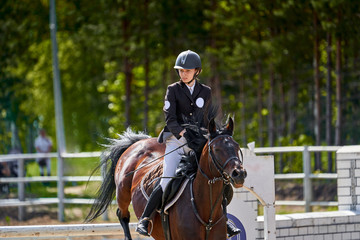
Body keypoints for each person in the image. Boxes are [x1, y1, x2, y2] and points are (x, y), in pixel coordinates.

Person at [135, 50, 241, 237]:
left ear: (196, 71)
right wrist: (184, 133)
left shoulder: (205, 91)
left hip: (198, 144)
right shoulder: (173, 90)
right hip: (176, 141)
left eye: (187, 70)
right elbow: (170, 119)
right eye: (181, 70)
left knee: (219, 179)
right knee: (167, 179)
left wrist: (211, 134)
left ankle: (224, 220)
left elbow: (207, 118)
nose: (183, 74)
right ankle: (145, 219)